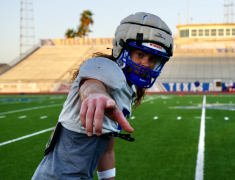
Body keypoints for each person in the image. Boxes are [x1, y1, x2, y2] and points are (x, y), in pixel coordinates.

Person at [32, 12, 174, 180]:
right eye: (140, 54)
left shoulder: (130, 90)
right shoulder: (103, 65)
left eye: (153, 58)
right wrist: (94, 95)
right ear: (122, 49)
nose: (146, 63)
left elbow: (107, 151)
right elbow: (93, 83)